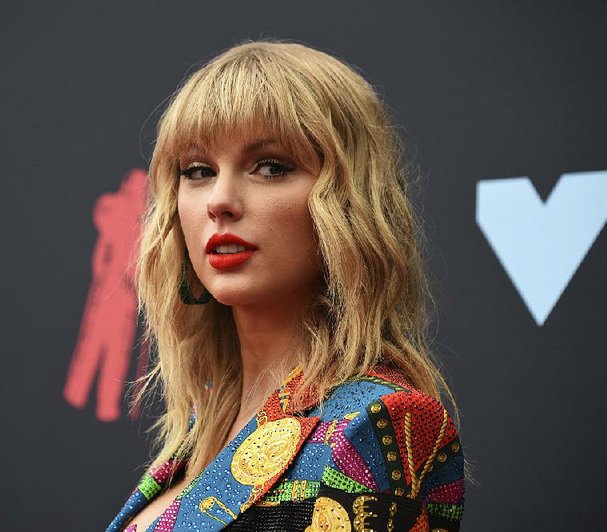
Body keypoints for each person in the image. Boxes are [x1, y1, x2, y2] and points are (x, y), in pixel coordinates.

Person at [107, 41, 465, 532]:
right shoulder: (199, 431)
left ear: (348, 203)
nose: (220, 200)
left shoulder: (379, 424)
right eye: (198, 171)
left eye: (271, 167)